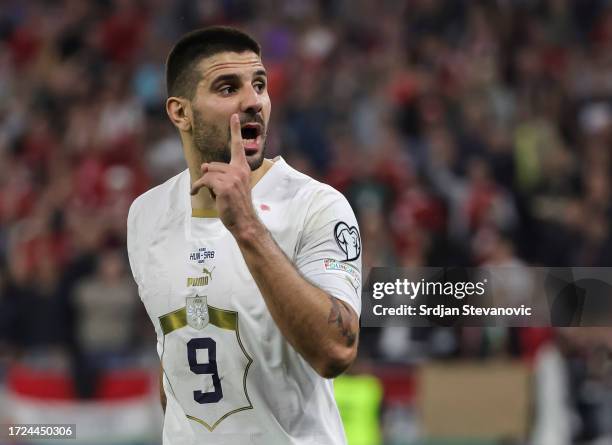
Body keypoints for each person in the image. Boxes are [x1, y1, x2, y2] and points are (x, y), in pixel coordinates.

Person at [126, 26, 362, 444]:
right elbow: (175, 359)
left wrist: (247, 227)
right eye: (227, 87)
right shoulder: (145, 216)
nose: (253, 101)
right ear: (180, 113)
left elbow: (336, 351)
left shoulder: (316, 206)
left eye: (259, 84)